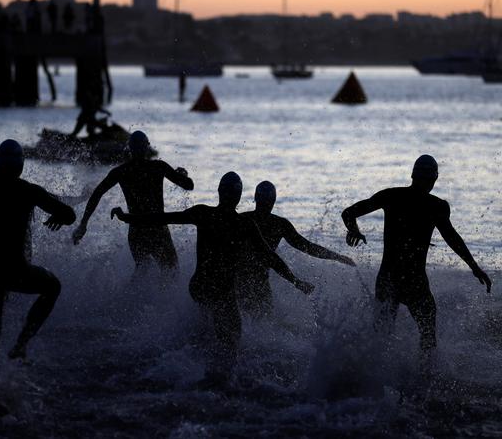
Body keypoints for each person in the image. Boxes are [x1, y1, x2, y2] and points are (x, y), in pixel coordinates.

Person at [112, 172, 315, 382]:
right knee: (231, 344)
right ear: (239, 197)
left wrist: (128, 217)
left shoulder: (203, 213)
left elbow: (162, 218)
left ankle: (191, 356)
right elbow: (271, 258)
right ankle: (217, 379)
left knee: (207, 327)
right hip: (222, 291)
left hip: (198, 286)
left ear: (219, 192)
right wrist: (296, 281)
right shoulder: (244, 224)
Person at [342, 155, 492, 370]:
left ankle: (373, 382)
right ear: (434, 179)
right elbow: (452, 237)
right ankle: (421, 381)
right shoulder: (435, 205)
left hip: (391, 278)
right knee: (426, 334)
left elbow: (348, 213)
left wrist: (354, 229)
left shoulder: (393, 196)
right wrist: (474, 267)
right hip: (412, 280)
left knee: (385, 334)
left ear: (413, 175)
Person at [0, 139, 76, 367]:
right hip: (15, 270)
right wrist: (58, 217)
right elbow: (69, 215)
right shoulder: (28, 191)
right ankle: (20, 345)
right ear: (21, 165)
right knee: (52, 286)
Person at [73, 131, 193, 281]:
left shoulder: (121, 171)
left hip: (136, 231)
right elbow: (189, 186)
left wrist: (83, 224)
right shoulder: (158, 167)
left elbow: (97, 194)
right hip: (157, 229)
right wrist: (183, 175)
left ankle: (125, 301)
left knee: (142, 271)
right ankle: (162, 303)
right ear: (147, 147)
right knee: (172, 273)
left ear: (129, 149)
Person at [238, 181, 355, 318]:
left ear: (256, 198)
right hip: (243, 283)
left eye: (267, 202)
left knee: (260, 324)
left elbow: (307, 247)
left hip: (252, 283)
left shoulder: (249, 220)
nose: (266, 205)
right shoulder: (258, 222)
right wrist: (295, 281)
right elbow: (305, 247)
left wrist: (336, 256)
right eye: (266, 201)